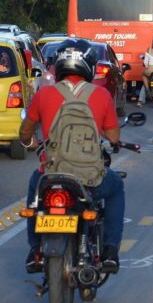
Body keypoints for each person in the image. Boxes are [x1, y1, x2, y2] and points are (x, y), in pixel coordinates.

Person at [19, 39, 125, 274]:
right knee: (116, 187)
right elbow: (114, 137)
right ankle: (109, 250)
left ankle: (35, 250)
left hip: (51, 173)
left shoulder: (44, 94)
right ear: (88, 65)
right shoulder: (101, 95)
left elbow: (25, 132)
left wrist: (29, 141)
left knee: (34, 193)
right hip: (89, 179)